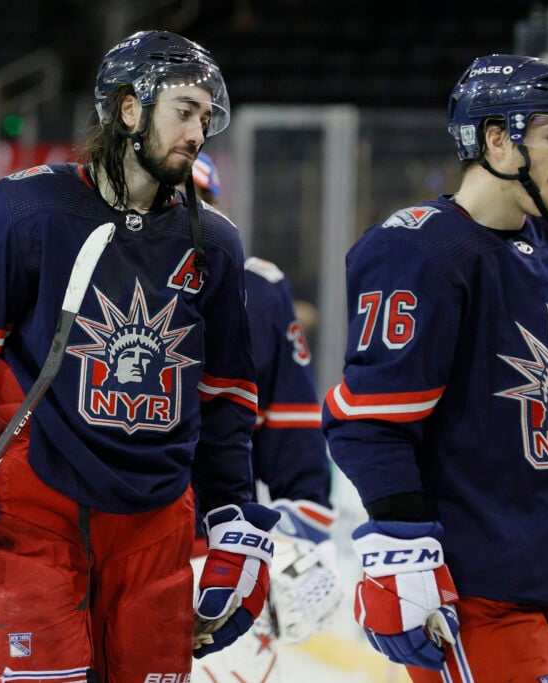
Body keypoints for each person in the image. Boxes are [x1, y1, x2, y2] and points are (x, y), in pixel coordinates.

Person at [0, 30, 280, 682]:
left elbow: (224, 402)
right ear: (129, 110)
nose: (198, 131)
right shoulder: (30, 206)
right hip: (37, 516)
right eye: (184, 110)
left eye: (206, 117)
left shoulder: (214, 242)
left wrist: (231, 517)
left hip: (156, 528)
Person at [323, 54, 548, 682]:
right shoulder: (418, 249)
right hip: (479, 587)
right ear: (497, 140)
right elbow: (371, 421)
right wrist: (401, 548)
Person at [189, 152, 344, 682]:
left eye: (198, 201)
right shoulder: (98, 279)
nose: (183, 213)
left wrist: (302, 525)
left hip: (217, 552)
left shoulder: (258, 288)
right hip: (112, 542)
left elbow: (291, 420)